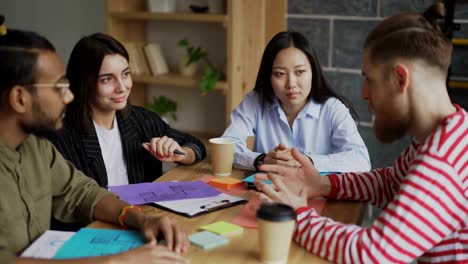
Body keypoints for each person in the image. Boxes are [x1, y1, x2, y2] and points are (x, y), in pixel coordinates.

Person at [254, 3, 467, 264]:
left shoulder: (440, 163)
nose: (364, 93)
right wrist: (321, 184)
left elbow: (370, 253)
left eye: (370, 79)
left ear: (401, 79)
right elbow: (390, 184)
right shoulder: (447, 131)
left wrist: (297, 214)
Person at [0, 19, 189, 263]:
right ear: (20, 98)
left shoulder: (36, 148)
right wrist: (116, 261)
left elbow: (81, 192)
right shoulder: (57, 138)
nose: (69, 97)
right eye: (59, 87)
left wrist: (141, 218)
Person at [48, 33, 206, 188]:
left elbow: (197, 147)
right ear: (83, 83)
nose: (122, 87)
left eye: (125, 74)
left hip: (145, 212)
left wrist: (179, 153)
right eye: (107, 79)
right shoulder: (61, 136)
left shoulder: (142, 120)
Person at [222, 31, 371, 173]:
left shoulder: (332, 108)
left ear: (313, 71)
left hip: (318, 194)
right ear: (269, 76)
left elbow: (361, 159)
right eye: (280, 74)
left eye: (300, 72)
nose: (291, 84)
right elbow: (226, 147)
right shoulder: (256, 101)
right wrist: (262, 160)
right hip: (268, 192)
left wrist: (307, 161)